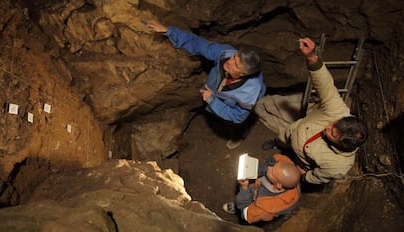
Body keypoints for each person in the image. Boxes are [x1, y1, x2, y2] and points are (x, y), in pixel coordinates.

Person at [255, 37, 368, 184]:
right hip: (294, 131)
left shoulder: (338, 165)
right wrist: (311, 57)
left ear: (341, 145)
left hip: (302, 160)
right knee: (283, 138)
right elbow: (325, 84)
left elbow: (319, 177)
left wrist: (304, 176)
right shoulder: (338, 111)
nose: (328, 127)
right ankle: (277, 143)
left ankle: (290, 155)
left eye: (332, 133)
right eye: (334, 123)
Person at [147, 20, 266, 149]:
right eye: (234, 57)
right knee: (216, 113)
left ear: (242, 74)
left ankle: (238, 135)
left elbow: (237, 117)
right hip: (216, 92)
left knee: (234, 124)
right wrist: (169, 31)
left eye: (235, 64)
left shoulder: (248, 94)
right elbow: (199, 44)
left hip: (232, 105)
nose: (230, 61)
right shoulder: (226, 54)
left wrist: (211, 99)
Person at [223, 154, 301, 224]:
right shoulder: (286, 165)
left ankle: (237, 208)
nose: (269, 167)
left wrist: (244, 188)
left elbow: (245, 214)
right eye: (275, 166)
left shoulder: (267, 208)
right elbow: (273, 160)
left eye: (272, 172)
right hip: (256, 187)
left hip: (256, 203)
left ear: (279, 185)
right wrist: (252, 171)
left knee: (242, 206)